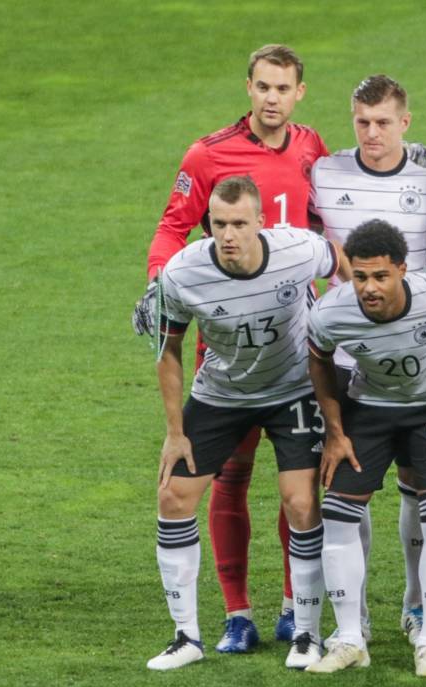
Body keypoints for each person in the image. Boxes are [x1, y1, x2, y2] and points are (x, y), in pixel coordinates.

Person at [138, 44, 329, 653]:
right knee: (232, 475)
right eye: (262, 87)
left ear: (299, 92)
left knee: (298, 485)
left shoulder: (310, 146)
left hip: (292, 337)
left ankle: (294, 606)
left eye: (283, 88)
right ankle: (236, 613)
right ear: (248, 88)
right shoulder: (208, 153)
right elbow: (173, 225)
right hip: (226, 337)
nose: (271, 98)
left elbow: (323, 227)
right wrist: (157, 284)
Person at [309, 74, 426, 646]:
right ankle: (353, 612)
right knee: (348, 483)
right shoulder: (325, 171)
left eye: (383, 121)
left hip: (416, 353)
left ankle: (415, 605)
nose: (371, 132)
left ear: (405, 123)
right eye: (361, 121)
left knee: (416, 481)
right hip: (343, 352)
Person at [304, 220, 426, 677]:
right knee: (337, 517)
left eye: (380, 277)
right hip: (368, 411)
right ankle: (350, 637)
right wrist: (335, 431)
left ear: (402, 269)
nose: (369, 288)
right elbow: (319, 358)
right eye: (359, 277)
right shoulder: (331, 312)